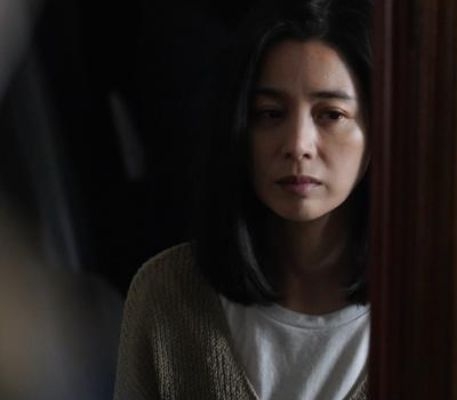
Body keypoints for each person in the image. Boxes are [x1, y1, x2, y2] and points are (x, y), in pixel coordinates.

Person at [113, 0, 372, 399]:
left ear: (375, 132)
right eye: (270, 113)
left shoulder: (435, 311)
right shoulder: (167, 292)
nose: (298, 145)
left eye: (331, 114)